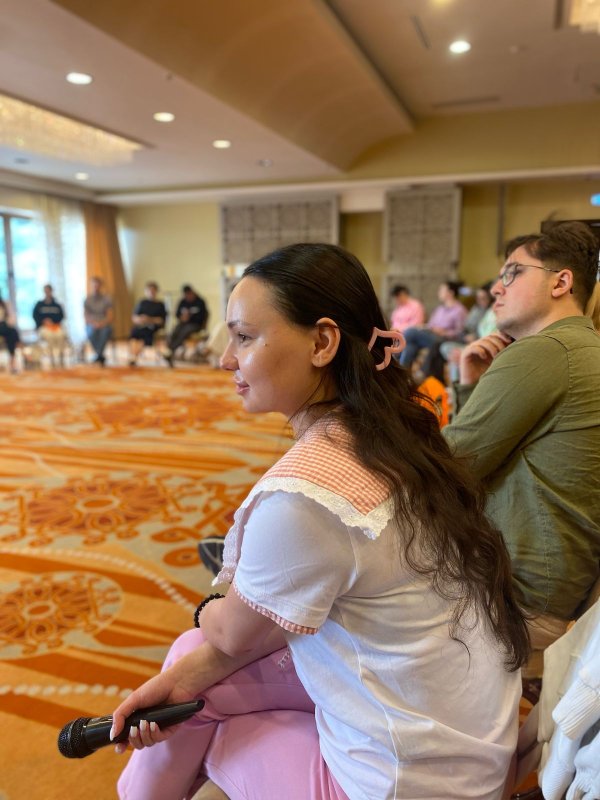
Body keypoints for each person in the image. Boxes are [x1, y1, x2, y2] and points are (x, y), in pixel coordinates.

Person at [112, 243, 529, 800]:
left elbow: (233, 632)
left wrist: (212, 604)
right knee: (190, 667)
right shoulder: (396, 433)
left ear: (323, 342)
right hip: (469, 739)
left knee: (195, 715)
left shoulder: (306, 495)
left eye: (244, 336)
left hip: (408, 782)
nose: (226, 359)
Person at [444, 221, 600, 677]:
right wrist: (472, 385)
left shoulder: (547, 350)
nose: (497, 288)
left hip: (518, 595)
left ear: (561, 282)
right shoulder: (582, 347)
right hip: (561, 588)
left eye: (512, 272)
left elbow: (451, 466)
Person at [398, 280, 467, 377]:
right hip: (429, 335)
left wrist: (444, 332)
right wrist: (424, 327)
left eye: (441, 290)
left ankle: (394, 365)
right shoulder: (440, 309)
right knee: (410, 346)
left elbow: (460, 332)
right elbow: (431, 325)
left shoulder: (459, 310)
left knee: (409, 332)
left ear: (451, 293)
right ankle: (402, 375)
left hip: (443, 338)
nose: (439, 292)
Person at [163, 285, 208, 367]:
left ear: (192, 292)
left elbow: (203, 317)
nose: (188, 297)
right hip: (183, 323)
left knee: (184, 332)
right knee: (175, 331)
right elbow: (177, 314)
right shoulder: (182, 301)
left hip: (196, 324)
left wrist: (190, 317)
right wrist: (182, 317)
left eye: (189, 295)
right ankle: (169, 349)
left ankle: (171, 350)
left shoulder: (200, 302)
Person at [128, 281, 167, 367]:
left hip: (153, 327)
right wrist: (141, 319)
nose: (151, 292)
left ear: (156, 291)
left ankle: (134, 356)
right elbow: (134, 317)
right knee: (134, 333)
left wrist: (149, 319)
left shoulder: (160, 305)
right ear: (146, 291)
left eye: (153, 290)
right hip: (141, 326)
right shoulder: (142, 303)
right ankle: (133, 356)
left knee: (144, 335)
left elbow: (161, 320)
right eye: (149, 290)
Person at [32, 283, 67, 367]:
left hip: (55, 326)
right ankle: (52, 357)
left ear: (51, 291)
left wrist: (53, 322)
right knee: (49, 336)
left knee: (61, 334)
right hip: (43, 327)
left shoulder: (57, 305)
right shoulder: (39, 304)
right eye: (46, 291)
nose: (47, 293)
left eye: (49, 291)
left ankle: (61, 356)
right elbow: (35, 316)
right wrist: (44, 322)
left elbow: (61, 316)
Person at [84, 276, 113, 366]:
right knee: (91, 332)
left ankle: (98, 355)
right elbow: (86, 316)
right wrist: (94, 324)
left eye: (97, 285)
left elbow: (110, 315)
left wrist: (102, 323)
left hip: (104, 323)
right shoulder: (87, 300)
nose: (95, 287)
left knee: (105, 332)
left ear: (100, 286)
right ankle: (100, 355)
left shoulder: (106, 299)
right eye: (94, 285)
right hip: (92, 324)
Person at [0, 291, 21, 373]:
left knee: (12, 332)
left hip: (3, 326)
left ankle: (12, 360)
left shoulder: (5, 304)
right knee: (12, 332)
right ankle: (20, 345)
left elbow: (11, 318)